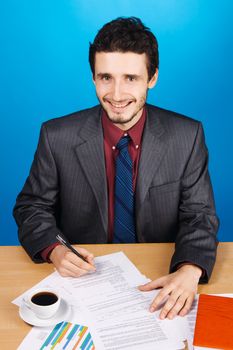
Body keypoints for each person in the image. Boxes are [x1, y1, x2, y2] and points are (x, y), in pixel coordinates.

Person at [13, 17, 219, 320]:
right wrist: (54, 250)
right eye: (106, 77)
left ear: (152, 78)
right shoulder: (56, 136)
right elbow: (32, 207)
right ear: (94, 78)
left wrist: (190, 269)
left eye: (131, 78)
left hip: (158, 275)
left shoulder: (187, 136)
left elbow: (199, 215)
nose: (117, 94)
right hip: (84, 282)